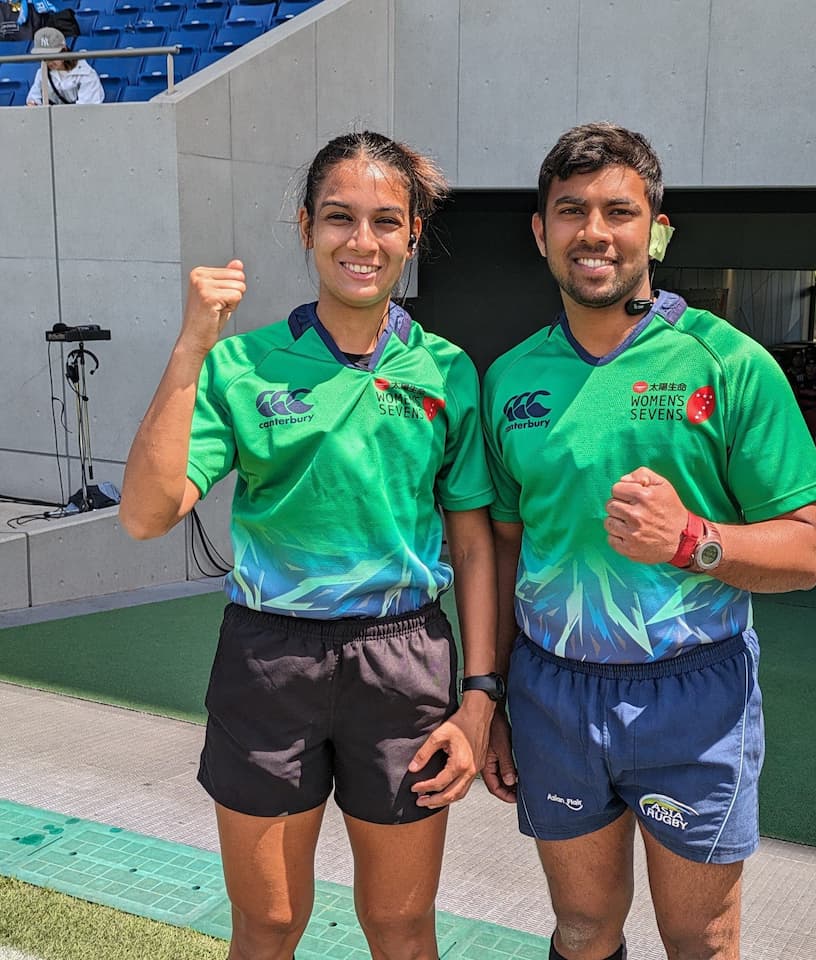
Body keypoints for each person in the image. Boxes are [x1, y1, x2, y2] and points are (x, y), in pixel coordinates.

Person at [119, 131, 498, 960]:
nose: (361, 243)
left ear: (412, 234)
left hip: (403, 661)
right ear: (304, 227)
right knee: (269, 923)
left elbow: (473, 547)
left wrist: (479, 698)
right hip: (270, 660)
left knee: (399, 925)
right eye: (339, 218)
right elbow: (146, 514)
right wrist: (192, 346)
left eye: (385, 222)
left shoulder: (448, 372)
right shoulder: (242, 366)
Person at [480, 123, 816, 960]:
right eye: (570, 212)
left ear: (657, 230)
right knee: (582, 927)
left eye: (618, 211)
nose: (594, 232)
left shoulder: (729, 364)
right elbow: (501, 551)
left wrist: (692, 542)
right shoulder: (510, 378)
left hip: (695, 695)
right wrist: (489, 695)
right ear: (541, 232)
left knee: (700, 937)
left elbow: (809, 550)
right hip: (552, 692)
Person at [26, 26, 103, 105]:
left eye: (53, 56)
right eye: (44, 58)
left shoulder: (86, 73)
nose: (49, 62)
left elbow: (87, 109)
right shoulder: (42, 73)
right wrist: (33, 104)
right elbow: (33, 99)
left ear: (64, 50)